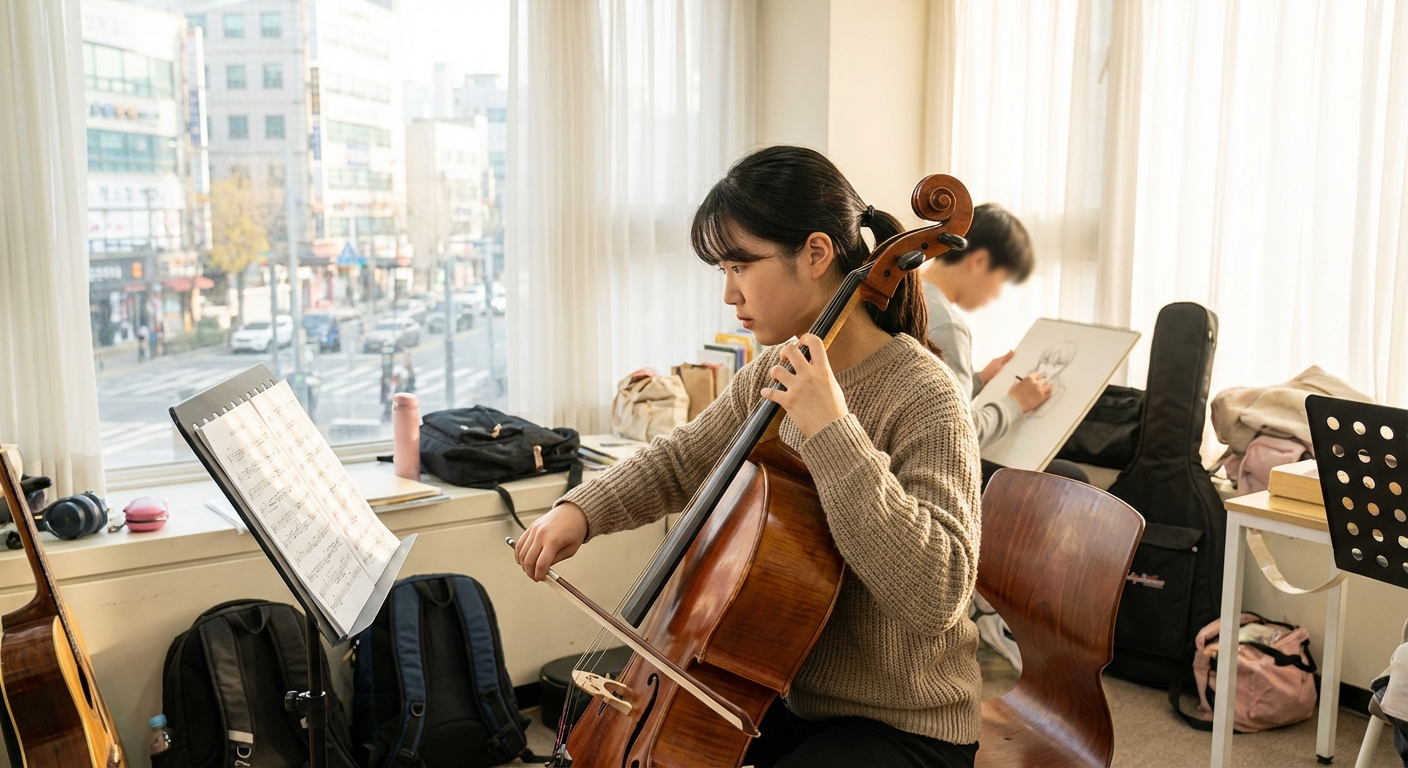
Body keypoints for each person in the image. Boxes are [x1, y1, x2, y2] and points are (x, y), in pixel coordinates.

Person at [514, 146, 983, 767]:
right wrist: (581, 511)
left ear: (815, 254)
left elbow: (937, 594)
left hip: (902, 723)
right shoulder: (774, 369)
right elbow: (683, 459)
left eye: (740, 265)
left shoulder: (924, 394)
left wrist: (831, 427)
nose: (730, 293)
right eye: (722, 270)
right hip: (784, 698)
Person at [919, 203, 1089, 487]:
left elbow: (926, 399)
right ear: (979, 262)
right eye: (1000, 281)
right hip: (929, 472)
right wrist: (1016, 403)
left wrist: (979, 380)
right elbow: (958, 433)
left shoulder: (909, 291)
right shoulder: (946, 324)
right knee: (1069, 479)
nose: (996, 294)